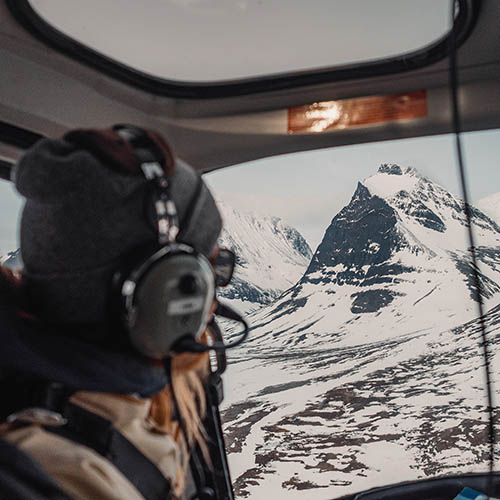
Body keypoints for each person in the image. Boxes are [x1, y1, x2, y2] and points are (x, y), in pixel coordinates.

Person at [0, 125, 240, 500]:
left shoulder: (77, 416)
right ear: (167, 287)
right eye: (210, 272)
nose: (210, 306)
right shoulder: (64, 475)